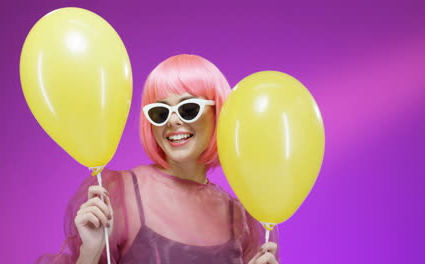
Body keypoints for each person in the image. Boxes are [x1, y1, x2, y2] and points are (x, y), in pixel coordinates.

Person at [36, 54, 280, 264]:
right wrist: (90, 253)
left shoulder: (238, 216)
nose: (173, 121)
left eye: (188, 109)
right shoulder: (118, 194)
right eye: (160, 113)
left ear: (218, 113)